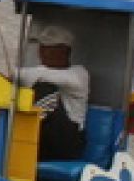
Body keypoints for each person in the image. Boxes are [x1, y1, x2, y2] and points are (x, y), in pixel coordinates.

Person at [20, 24, 88, 161]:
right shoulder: (37, 73)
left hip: (67, 143)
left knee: (44, 89)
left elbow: (40, 75)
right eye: (41, 48)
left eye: (48, 48)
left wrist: (13, 75)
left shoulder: (79, 74)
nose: (42, 53)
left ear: (64, 51)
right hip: (44, 139)